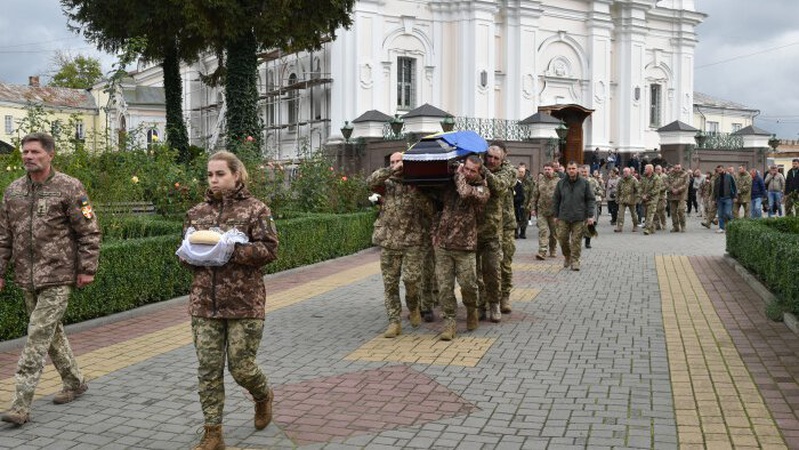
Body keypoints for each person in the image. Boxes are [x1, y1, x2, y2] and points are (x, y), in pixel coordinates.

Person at [0, 132, 101, 427]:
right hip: (27, 277)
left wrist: (87, 268)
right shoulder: (13, 191)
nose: (28, 156)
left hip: (58, 275)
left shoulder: (70, 188)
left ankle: (20, 405)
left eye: (35, 152)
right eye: (25, 152)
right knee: (51, 333)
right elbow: (4, 236)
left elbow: (89, 231)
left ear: (50, 154)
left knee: (36, 336)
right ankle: (75, 381)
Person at [181, 151, 279, 449]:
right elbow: (186, 257)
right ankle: (213, 433)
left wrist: (230, 250)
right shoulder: (197, 213)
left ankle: (263, 395)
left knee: (241, 368)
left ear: (237, 175)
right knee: (208, 369)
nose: (214, 180)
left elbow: (269, 250)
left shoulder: (256, 210)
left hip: (244, 303)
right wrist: (192, 254)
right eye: (210, 174)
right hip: (204, 303)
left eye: (220, 174)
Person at [367, 152, 434, 337]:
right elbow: (370, 182)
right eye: (392, 162)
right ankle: (394, 321)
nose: (396, 164)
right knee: (390, 284)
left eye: (399, 162)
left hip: (412, 240)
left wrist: (415, 191)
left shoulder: (416, 183)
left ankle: (413, 306)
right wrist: (390, 170)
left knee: (412, 280)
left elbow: (430, 209)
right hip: (389, 240)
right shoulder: (386, 183)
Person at [433, 155, 490, 341]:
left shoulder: (482, 189)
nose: (468, 172)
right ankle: (449, 323)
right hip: (443, 245)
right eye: (466, 168)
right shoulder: (451, 183)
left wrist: (459, 176)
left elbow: (465, 193)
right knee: (444, 287)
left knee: (468, 285)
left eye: (473, 171)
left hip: (465, 246)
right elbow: (435, 201)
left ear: (479, 172)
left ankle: (472, 310)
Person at [475, 143, 515, 322]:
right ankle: (481, 304)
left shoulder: (508, 171)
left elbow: (499, 186)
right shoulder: (478, 168)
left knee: (501, 265)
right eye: (488, 156)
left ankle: (502, 297)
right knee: (479, 270)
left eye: (496, 158)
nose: (491, 161)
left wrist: (483, 170)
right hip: (480, 226)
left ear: (504, 158)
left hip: (503, 224)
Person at [553, 162, 596, 271]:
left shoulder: (585, 183)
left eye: (573, 168)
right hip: (564, 216)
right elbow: (556, 199)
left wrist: (590, 215)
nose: (571, 170)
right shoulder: (561, 183)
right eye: (569, 168)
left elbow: (590, 199)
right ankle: (567, 256)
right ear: (566, 170)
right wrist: (555, 215)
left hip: (579, 217)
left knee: (576, 240)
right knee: (562, 239)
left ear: (577, 170)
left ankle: (575, 260)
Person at [532, 162, 560, 260]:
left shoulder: (559, 181)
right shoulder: (540, 180)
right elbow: (535, 195)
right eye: (545, 169)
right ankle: (542, 251)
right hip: (542, 210)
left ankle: (553, 249)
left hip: (554, 212)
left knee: (553, 233)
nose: (547, 171)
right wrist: (532, 208)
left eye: (549, 169)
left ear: (553, 170)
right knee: (543, 231)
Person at [712, 164, 737, 234]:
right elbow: (715, 189)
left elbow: (734, 187)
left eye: (720, 169)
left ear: (723, 169)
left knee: (728, 213)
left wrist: (735, 196)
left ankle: (733, 226)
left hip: (728, 198)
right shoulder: (717, 178)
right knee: (720, 214)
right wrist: (714, 199)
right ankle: (721, 228)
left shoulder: (729, 177)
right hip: (720, 199)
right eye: (718, 170)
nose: (719, 171)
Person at [581, 165, 602, 248]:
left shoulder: (593, 181)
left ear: (588, 172)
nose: (583, 174)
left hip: (591, 204)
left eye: (585, 172)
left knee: (591, 223)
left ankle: (587, 241)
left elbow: (600, 191)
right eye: (582, 172)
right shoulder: (576, 181)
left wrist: (593, 192)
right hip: (580, 205)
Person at [665, 163, 690, 232]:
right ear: (674, 168)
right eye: (676, 168)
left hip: (681, 195)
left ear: (681, 168)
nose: (677, 169)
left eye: (678, 168)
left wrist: (678, 189)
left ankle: (683, 226)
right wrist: (672, 189)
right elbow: (666, 183)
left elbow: (686, 184)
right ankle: (675, 227)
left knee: (681, 210)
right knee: (673, 212)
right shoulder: (670, 174)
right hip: (672, 195)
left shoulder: (685, 174)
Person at [639, 164, 663, 235]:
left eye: (646, 169)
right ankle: (653, 228)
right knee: (647, 214)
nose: (645, 170)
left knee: (650, 213)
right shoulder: (644, 177)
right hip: (644, 198)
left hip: (653, 198)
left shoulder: (656, 178)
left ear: (650, 170)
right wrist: (642, 195)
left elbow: (656, 189)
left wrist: (647, 195)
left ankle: (647, 229)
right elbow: (639, 187)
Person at [614, 167, 639, 232]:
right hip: (622, 199)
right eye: (624, 172)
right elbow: (618, 190)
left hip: (631, 199)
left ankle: (635, 225)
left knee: (633, 214)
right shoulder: (621, 180)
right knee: (620, 214)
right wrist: (617, 198)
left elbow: (638, 189)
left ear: (630, 172)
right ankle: (620, 226)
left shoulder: (634, 180)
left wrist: (637, 197)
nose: (624, 173)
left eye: (626, 172)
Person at [653, 165, 668, 230]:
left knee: (662, 211)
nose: (657, 170)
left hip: (662, 196)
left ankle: (664, 223)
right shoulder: (653, 177)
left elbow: (666, 185)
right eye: (656, 169)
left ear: (661, 170)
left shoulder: (664, 176)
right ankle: (657, 224)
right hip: (655, 196)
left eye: (659, 169)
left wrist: (660, 189)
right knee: (655, 211)